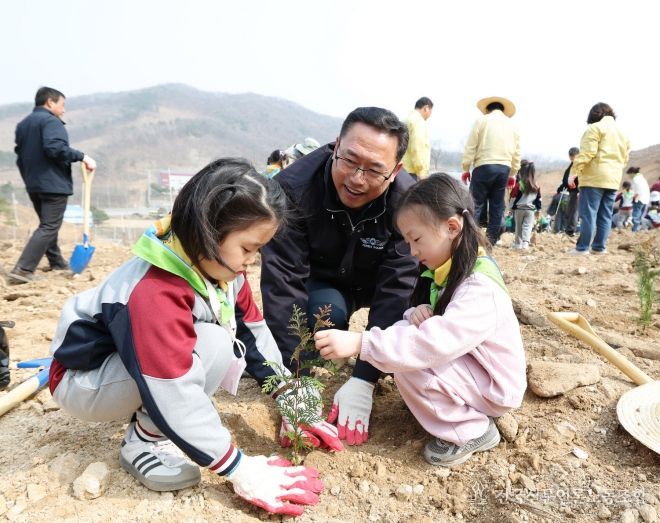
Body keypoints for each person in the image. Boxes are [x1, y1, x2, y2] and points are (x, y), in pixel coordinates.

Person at [48, 159, 336, 516]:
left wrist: (288, 392)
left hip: (127, 365)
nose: (252, 261)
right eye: (248, 248)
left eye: (259, 250)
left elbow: (252, 330)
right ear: (208, 233)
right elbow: (173, 388)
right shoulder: (155, 290)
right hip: (83, 381)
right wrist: (240, 469)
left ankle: (151, 426)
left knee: (216, 343)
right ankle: (144, 442)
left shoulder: (219, 269)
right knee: (211, 344)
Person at [314, 174, 526, 466]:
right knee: (406, 330)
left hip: (494, 388)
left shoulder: (479, 287)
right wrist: (416, 313)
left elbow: (434, 343)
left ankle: (471, 430)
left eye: (416, 240)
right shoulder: (454, 268)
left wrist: (361, 343)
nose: (412, 251)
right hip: (477, 372)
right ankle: (456, 406)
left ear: (452, 227)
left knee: (410, 362)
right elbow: (440, 326)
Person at [260, 107, 419, 445]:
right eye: (350, 160)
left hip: (377, 279)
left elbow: (397, 288)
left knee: (417, 311)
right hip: (327, 279)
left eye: (374, 169)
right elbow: (283, 283)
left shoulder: (408, 203)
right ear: (335, 146)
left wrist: (365, 377)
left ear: (395, 171)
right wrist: (296, 379)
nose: (357, 179)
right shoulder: (293, 189)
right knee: (324, 317)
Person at [8, 87, 97, 284]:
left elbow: (20, 157)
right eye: (62, 105)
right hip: (53, 184)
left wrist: (29, 179)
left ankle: (56, 261)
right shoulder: (50, 122)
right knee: (49, 226)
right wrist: (82, 156)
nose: (64, 110)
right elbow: (55, 148)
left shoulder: (23, 124)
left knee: (48, 224)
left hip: (34, 183)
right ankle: (23, 269)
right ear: (50, 102)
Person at [568, 103, 631, 255]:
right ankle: (599, 247)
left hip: (593, 178)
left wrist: (574, 171)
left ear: (594, 115)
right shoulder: (623, 133)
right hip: (613, 179)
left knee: (588, 213)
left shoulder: (595, 128)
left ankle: (582, 248)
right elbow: (625, 159)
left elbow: (587, 153)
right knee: (605, 214)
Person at [461, 96, 521, 246]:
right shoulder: (512, 126)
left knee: (476, 205)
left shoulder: (481, 121)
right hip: (503, 169)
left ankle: (471, 240)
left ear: (487, 109)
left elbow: (470, 146)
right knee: (497, 207)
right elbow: (517, 152)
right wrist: (513, 173)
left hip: (483, 166)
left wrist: (466, 168)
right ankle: (490, 241)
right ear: (503, 110)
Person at [510, 160, 542, 249]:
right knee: (528, 226)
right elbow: (539, 198)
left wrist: (511, 209)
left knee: (518, 227)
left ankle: (518, 244)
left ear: (521, 173)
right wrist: (539, 209)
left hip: (519, 209)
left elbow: (513, 197)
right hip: (530, 210)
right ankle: (525, 243)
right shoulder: (535, 185)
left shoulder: (519, 185)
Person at [401, 97, 433, 181]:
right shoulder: (418, 122)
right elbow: (417, 147)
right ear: (426, 108)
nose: (430, 115)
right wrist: (421, 172)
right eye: (430, 112)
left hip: (402, 169)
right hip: (411, 171)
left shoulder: (408, 119)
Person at [555, 147, 580, 236]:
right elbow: (566, 179)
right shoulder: (572, 165)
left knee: (574, 211)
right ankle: (569, 229)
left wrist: (579, 190)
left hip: (577, 191)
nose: (572, 158)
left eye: (573, 156)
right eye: (571, 156)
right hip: (571, 191)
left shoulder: (579, 165)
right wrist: (561, 188)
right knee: (570, 211)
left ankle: (571, 230)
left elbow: (578, 178)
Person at [628, 167, 650, 232]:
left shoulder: (636, 179)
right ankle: (637, 229)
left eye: (629, 174)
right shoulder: (642, 178)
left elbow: (638, 191)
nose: (629, 176)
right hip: (645, 199)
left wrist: (633, 198)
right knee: (639, 216)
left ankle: (634, 230)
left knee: (635, 216)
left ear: (632, 173)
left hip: (639, 199)